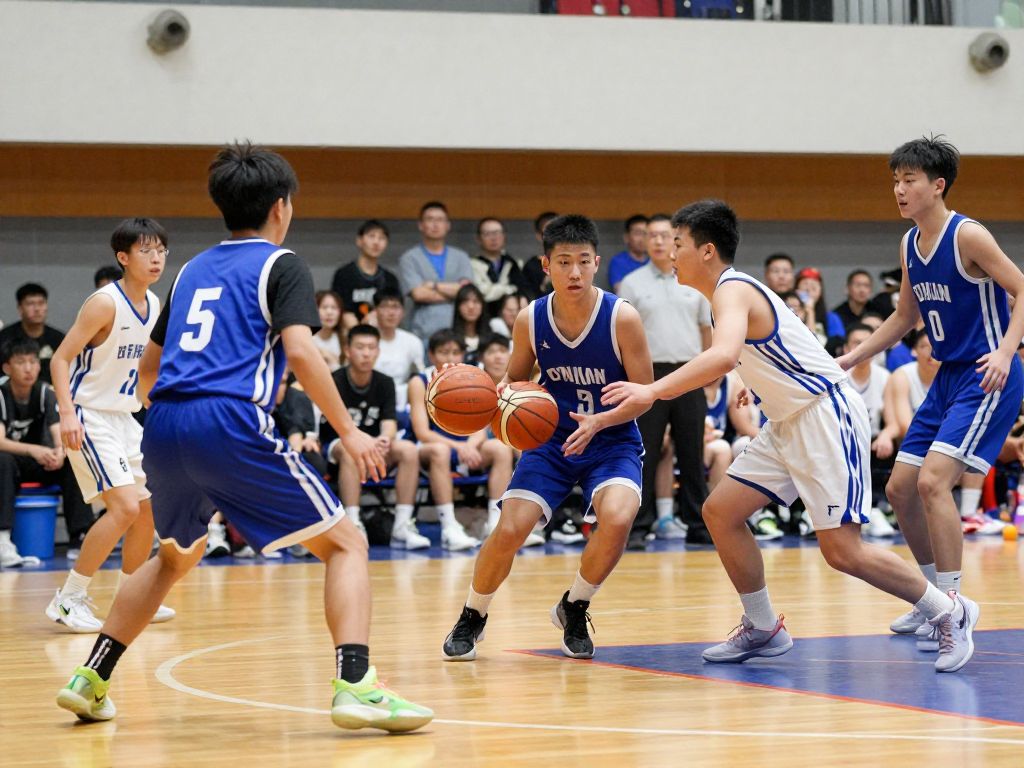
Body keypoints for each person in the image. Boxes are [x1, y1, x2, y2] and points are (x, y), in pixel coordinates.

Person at [54, 142, 431, 732]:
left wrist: (179, 421)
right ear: (281, 207)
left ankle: (90, 678)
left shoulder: (190, 270)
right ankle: (357, 685)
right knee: (346, 545)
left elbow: (148, 371)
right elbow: (302, 352)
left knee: (174, 556)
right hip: (227, 419)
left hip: (164, 423)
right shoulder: (282, 265)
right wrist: (350, 430)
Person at [603, 198, 973, 673]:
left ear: (707, 250)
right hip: (786, 420)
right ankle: (763, 626)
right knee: (720, 512)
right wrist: (756, 382)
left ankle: (949, 611)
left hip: (824, 416)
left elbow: (722, 355)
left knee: (842, 551)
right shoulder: (726, 296)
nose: (671, 254)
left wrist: (652, 390)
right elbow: (776, 344)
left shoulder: (732, 289)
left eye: (678, 244)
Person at [837, 136, 1024, 661]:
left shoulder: (968, 235)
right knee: (900, 489)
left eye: (909, 180)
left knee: (933, 482)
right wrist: (851, 358)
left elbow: (1022, 287)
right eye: (895, 180)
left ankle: (956, 607)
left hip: (986, 374)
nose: (899, 189)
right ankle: (933, 601)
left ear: (937, 185)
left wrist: (1007, 351)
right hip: (947, 379)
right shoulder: (908, 244)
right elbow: (904, 316)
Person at [441, 214, 652, 662]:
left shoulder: (622, 317)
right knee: (510, 528)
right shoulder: (531, 319)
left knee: (618, 518)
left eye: (583, 262)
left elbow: (644, 394)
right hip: (551, 440)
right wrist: (463, 388)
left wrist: (600, 421)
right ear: (546, 265)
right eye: (564, 262)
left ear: (596, 263)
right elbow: (514, 383)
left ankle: (575, 605)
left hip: (611, 440)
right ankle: (473, 614)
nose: (574, 272)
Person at [47, 218, 174, 632]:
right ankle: (68, 600)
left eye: (161, 250)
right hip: (88, 414)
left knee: (149, 507)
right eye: (146, 250)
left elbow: (143, 370)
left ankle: (132, 595)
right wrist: (67, 413)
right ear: (123, 257)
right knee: (124, 507)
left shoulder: (154, 303)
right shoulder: (104, 303)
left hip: (123, 416)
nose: (156, 258)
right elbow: (60, 359)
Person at [618, 213, 713, 546]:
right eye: (651, 235)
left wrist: (710, 376)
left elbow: (706, 330)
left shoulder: (693, 279)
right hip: (648, 377)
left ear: (675, 241)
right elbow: (623, 336)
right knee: (644, 452)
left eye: (664, 235)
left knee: (692, 453)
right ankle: (637, 527)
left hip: (690, 374)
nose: (658, 241)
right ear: (644, 241)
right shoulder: (630, 284)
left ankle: (699, 526)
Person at [322, 325, 428, 550]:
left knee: (408, 450)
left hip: (373, 446)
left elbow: (389, 423)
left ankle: (402, 526)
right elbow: (334, 426)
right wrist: (363, 442)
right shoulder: (333, 380)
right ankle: (353, 524)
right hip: (337, 444)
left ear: (378, 351)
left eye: (371, 348)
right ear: (348, 351)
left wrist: (385, 439)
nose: (366, 353)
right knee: (351, 450)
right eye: (360, 347)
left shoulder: (385, 382)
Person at [407, 330, 512, 551]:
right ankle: (449, 527)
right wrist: (460, 447)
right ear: (431, 355)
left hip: (466, 447)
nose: (450, 358)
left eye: (456, 352)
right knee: (440, 451)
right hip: (431, 449)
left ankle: (495, 522)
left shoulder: (473, 379)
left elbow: (481, 427)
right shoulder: (420, 381)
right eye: (444, 352)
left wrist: (470, 446)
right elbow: (422, 432)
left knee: (500, 448)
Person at [0, 340, 93, 568]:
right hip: (13, 461)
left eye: (33, 362)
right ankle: (3, 539)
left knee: (73, 460)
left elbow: (58, 434)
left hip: (41, 461)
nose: (28, 368)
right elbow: (0, 442)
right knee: (2, 461)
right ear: (7, 368)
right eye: (21, 362)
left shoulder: (45, 393)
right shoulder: (2, 395)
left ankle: (81, 537)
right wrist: (35, 450)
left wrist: (59, 453)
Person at [843, 323, 896, 537]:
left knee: (888, 445)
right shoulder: (835, 374)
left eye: (868, 342)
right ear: (846, 349)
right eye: (857, 343)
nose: (862, 347)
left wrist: (886, 435)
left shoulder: (884, 377)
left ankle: (876, 510)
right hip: (841, 439)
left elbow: (894, 423)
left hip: (871, 442)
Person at [398, 201, 473, 339]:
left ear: (448, 225)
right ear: (421, 225)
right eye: (430, 219)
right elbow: (419, 294)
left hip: (459, 331)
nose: (435, 225)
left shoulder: (461, 257)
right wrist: (454, 292)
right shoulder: (409, 258)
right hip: (423, 332)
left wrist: (434, 285)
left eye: (440, 220)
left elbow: (466, 291)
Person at [330, 219, 400, 331]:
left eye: (381, 238)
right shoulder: (344, 275)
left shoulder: (390, 278)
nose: (376, 242)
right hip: (350, 333)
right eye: (371, 236)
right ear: (359, 241)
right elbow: (343, 311)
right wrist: (361, 334)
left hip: (383, 333)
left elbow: (394, 310)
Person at [371, 287, 423, 424]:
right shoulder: (367, 342)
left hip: (403, 403)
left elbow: (419, 376)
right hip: (373, 401)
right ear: (375, 310)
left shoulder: (413, 342)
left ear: (403, 312)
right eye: (385, 306)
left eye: (395, 307)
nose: (391, 313)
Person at [0, 284, 66, 385]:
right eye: (30, 304)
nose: (37, 309)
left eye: (41, 303)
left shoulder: (59, 338)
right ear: (20, 308)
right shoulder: (4, 338)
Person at [471, 217, 530, 316]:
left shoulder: (515, 263)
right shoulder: (471, 265)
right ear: (478, 239)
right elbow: (482, 294)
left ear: (504, 236)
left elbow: (523, 292)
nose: (493, 238)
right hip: (483, 317)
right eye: (487, 234)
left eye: (497, 233)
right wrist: (510, 289)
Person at [607, 214, 649, 294]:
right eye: (637, 233)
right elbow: (620, 291)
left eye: (645, 233)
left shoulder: (654, 261)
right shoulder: (618, 262)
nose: (642, 238)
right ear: (626, 237)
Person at [521, 211, 558, 300]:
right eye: (548, 233)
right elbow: (529, 300)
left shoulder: (575, 261)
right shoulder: (531, 266)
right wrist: (545, 285)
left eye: (558, 232)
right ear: (539, 236)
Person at [452, 284, 489, 366]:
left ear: (482, 306)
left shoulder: (491, 338)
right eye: (465, 302)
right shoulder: (450, 339)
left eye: (476, 301)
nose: (471, 306)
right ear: (458, 307)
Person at [312, 290, 345, 371]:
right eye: (324, 307)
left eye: (334, 308)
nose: (329, 312)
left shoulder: (344, 339)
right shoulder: (307, 339)